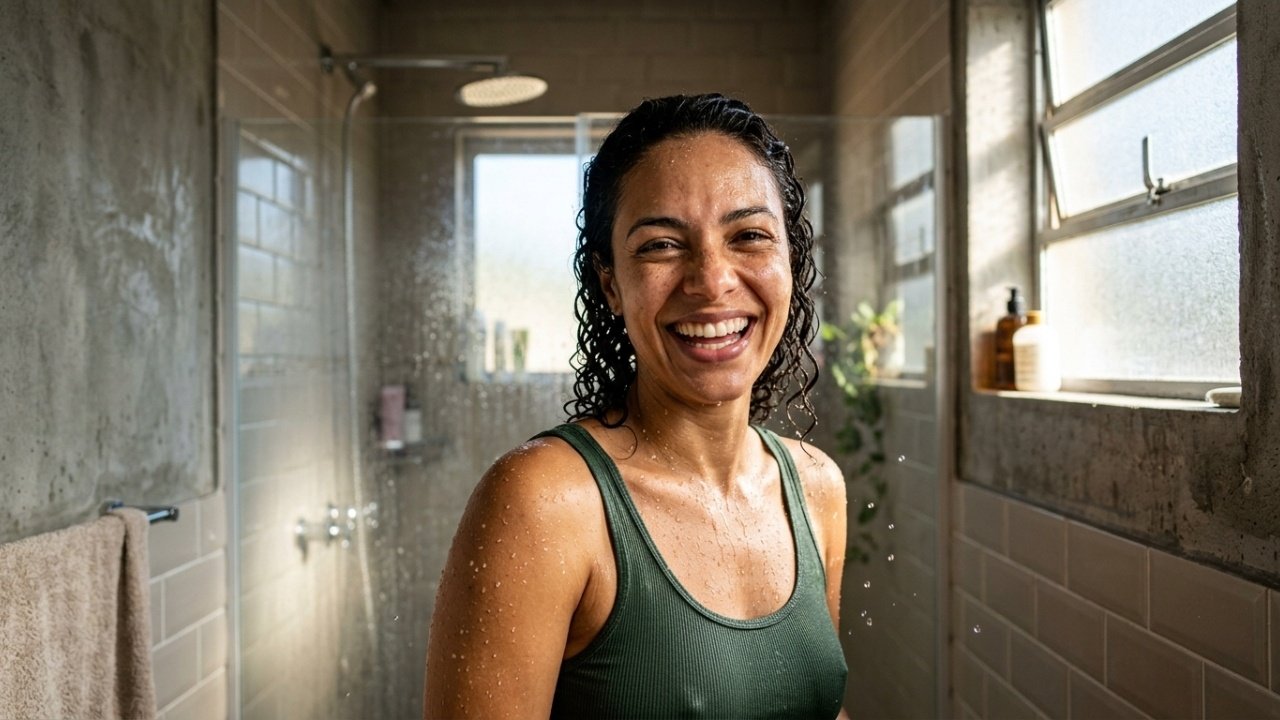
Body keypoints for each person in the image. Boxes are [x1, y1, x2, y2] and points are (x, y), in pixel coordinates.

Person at [423, 93, 849, 719]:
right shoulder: (546, 501)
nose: (712, 280)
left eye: (750, 236)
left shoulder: (816, 487)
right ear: (611, 283)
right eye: (661, 246)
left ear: (791, 259)